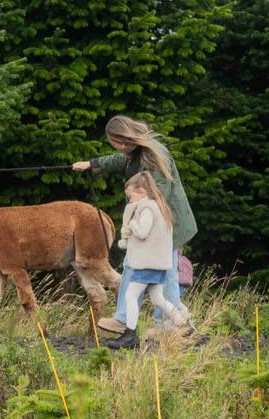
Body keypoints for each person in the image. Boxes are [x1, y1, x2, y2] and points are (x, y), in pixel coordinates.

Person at [72, 115, 196, 338]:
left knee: (162, 274)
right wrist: (93, 164)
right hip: (153, 223)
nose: (116, 147)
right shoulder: (135, 151)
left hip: (166, 225)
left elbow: (160, 193)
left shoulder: (154, 154)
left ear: (123, 138)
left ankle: (171, 323)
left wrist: (138, 217)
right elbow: (120, 160)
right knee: (138, 268)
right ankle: (133, 319)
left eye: (115, 142)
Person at [108, 172, 192, 349]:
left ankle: (130, 336)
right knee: (158, 299)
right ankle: (182, 323)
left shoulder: (147, 209)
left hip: (146, 264)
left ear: (141, 192)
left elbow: (142, 232)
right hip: (159, 264)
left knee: (130, 296)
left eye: (131, 197)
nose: (130, 201)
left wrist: (131, 224)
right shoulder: (161, 207)